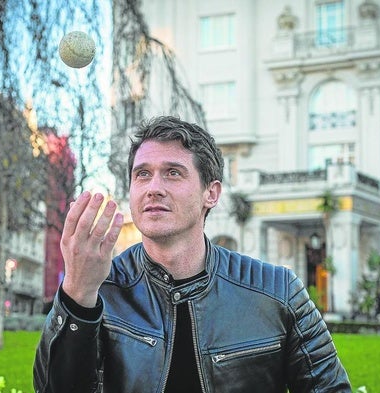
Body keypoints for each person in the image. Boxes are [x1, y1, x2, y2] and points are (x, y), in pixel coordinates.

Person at [33, 116, 351, 393]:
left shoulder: (276, 291)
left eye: (173, 173)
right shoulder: (101, 289)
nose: (153, 187)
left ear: (210, 194)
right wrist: (77, 292)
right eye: (142, 174)